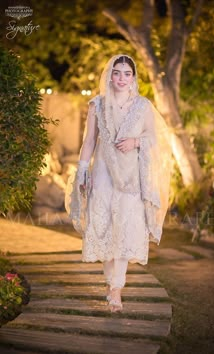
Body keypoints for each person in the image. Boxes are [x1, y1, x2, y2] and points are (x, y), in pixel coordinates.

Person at [65, 54, 172, 313]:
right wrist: (82, 173)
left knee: (124, 227)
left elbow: (159, 140)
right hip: (102, 173)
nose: (121, 78)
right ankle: (110, 282)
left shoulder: (143, 106)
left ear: (134, 77)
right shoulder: (97, 105)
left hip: (132, 177)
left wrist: (137, 142)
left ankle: (116, 289)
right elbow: (89, 141)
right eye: (117, 72)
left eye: (127, 73)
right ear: (109, 75)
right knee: (105, 227)